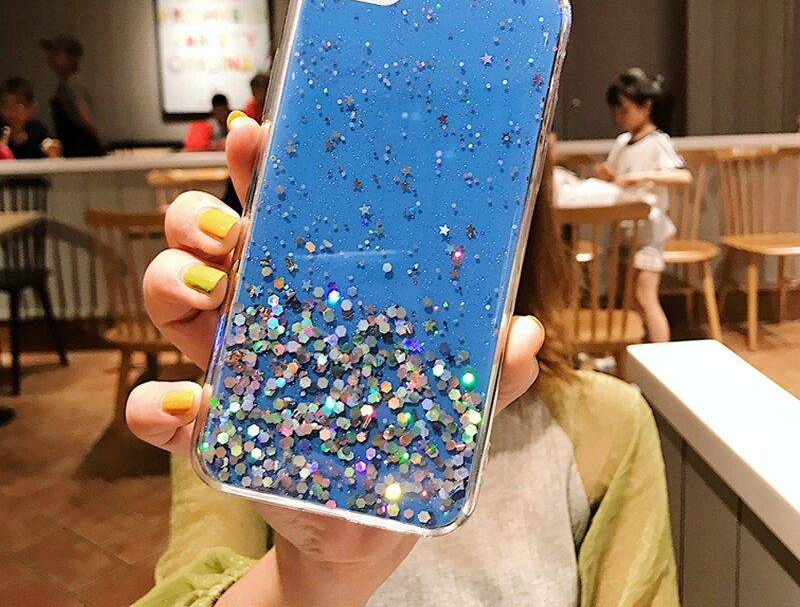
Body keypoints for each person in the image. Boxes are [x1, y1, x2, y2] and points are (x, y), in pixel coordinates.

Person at [127, 114, 679, 607]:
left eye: (454, 165)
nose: (398, 230)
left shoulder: (608, 424)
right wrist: (314, 578)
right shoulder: (248, 418)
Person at [593, 68, 690, 344]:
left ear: (646, 106)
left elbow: (683, 176)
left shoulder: (658, 142)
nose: (619, 116)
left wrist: (644, 176)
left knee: (645, 295)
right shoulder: (623, 142)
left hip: (648, 231)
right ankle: (635, 353)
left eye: (624, 109)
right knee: (630, 298)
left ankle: (661, 356)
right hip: (626, 229)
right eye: (616, 110)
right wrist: (607, 174)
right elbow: (616, 174)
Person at [41, 35, 103, 157]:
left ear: (70, 59)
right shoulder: (64, 84)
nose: (51, 58)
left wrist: (99, 141)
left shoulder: (72, 83)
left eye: (56, 54)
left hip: (82, 148)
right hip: (74, 147)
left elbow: (84, 116)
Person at [0, 77, 62, 159]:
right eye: (7, 106)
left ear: (32, 106)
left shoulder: (37, 131)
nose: (12, 113)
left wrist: (54, 153)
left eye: (18, 106)